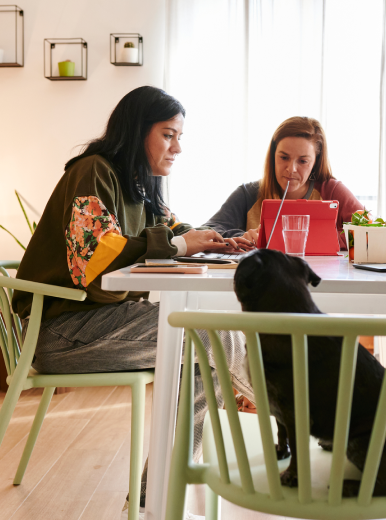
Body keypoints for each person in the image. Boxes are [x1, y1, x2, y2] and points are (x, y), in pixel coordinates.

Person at [12, 86, 254, 512]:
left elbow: (175, 232)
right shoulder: (94, 170)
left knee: (205, 364)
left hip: (106, 323)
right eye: (167, 134)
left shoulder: (143, 187)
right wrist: (181, 245)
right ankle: (295, 409)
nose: (178, 147)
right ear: (137, 130)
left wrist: (225, 241)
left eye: (179, 136)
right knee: (216, 334)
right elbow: (95, 259)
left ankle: (153, 494)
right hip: (62, 333)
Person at [204, 116, 364, 249]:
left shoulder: (332, 190)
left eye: (303, 161)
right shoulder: (248, 194)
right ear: (273, 156)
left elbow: (370, 231)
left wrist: (313, 238)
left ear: (316, 161)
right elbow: (205, 231)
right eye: (284, 157)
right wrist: (241, 237)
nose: (291, 169)